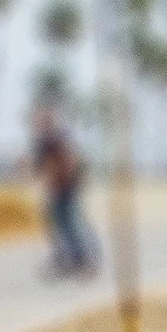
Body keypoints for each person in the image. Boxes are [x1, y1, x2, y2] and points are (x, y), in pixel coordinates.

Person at [31, 106, 98, 278]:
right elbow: (41, 167)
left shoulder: (57, 139)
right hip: (58, 187)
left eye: (42, 121)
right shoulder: (44, 141)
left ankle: (83, 261)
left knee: (68, 224)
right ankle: (66, 260)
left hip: (67, 186)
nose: (39, 124)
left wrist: (76, 177)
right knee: (58, 224)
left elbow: (71, 161)